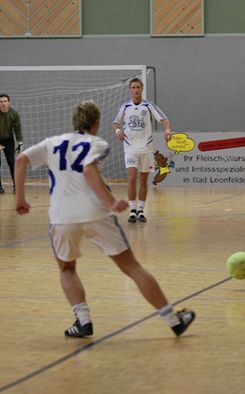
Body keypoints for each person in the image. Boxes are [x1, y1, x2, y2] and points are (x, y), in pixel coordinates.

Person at [15, 100, 195, 338]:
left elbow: (20, 161)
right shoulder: (97, 142)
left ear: (75, 121)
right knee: (132, 267)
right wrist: (110, 202)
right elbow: (89, 170)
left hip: (62, 218)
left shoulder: (52, 143)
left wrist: (20, 198)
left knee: (67, 269)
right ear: (96, 123)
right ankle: (173, 320)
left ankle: (83, 321)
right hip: (96, 214)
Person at [113, 78, 172, 223]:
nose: (136, 90)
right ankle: (132, 210)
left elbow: (164, 119)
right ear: (130, 90)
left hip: (146, 147)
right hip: (130, 147)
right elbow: (115, 123)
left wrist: (167, 129)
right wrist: (118, 131)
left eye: (138, 87)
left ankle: (141, 210)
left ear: (142, 88)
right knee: (132, 178)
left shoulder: (148, 106)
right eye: (133, 87)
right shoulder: (125, 107)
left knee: (144, 180)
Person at [0, 93, 24, 194]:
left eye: (5, 101)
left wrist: (20, 142)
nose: (3, 103)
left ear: (8, 102)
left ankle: (16, 186)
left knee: (12, 162)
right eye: (1, 102)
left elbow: (17, 128)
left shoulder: (14, 113)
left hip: (9, 140)